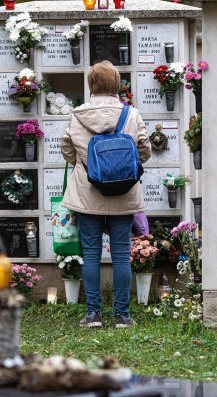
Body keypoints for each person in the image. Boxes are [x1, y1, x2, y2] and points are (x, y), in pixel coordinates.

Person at [61, 61, 151, 328]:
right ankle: (122, 316)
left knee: (91, 254)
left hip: (88, 194)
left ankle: (93, 315)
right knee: (122, 254)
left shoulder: (78, 116)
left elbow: (68, 151)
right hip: (123, 193)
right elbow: (143, 151)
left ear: (92, 85)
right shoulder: (131, 114)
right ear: (116, 85)